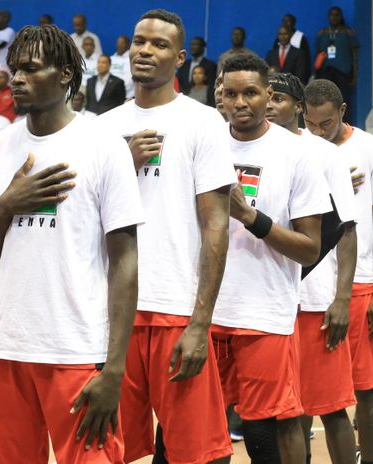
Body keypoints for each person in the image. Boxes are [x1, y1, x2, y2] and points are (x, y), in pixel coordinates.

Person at [0, 23, 143, 462]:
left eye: (30, 68)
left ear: (65, 74)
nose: (17, 79)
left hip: (77, 350)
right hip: (9, 346)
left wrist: (115, 369)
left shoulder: (102, 146)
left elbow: (125, 262)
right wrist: (7, 204)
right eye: (14, 70)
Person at [96, 10, 237, 463]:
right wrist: (121, 161)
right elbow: (85, 220)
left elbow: (216, 224)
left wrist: (200, 323)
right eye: (139, 41)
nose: (145, 50)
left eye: (158, 45)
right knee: (111, 449)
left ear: (179, 58)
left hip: (174, 309)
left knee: (200, 453)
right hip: (111, 315)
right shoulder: (101, 129)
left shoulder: (203, 122)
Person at [212, 54, 331, 464]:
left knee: (268, 425)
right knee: (202, 428)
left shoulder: (297, 155)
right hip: (201, 312)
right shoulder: (201, 143)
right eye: (230, 93)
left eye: (250, 93)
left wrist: (249, 217)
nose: (240, 102)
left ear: (269, 95)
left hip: (263, 312)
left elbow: (310, 247)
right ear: (219, 96)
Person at [304, 79, 373, 464]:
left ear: (342, 112)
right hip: (308, 281)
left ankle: (369, 458)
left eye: (324, 123)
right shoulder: (299, 147)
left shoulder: (370, 149)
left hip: (357, 281)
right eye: (309, 123)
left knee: (367, 385)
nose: (317, 131)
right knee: (307, 386)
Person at [266, 72, 358, 464]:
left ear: (299, 107)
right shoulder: (251, 148)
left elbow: (347, 230)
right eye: (265, 97)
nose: (270, 104)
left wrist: (342, 299)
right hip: (268, 297)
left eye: (279, 98)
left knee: (332, 406)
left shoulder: (326, 154)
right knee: (285, 410)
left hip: (315, 298)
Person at [315, 6, 359, 123]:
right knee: (324, 99)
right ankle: (325, 121)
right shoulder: (322, 32)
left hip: (343, 72)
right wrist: (315, 74)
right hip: (325, 71)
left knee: (343, 99)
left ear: (341, 16)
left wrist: (355, 74)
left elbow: (354, 55)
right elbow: (318, 53)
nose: (334, 17)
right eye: (332, 15)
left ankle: (344, 124)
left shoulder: (348, 32)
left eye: (337, 15)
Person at [110, 35, 134, 99]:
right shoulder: (111, 59)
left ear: (128, 45)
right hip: (110, 95)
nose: (119, 45)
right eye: (118, 43)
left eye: (122, 43)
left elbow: (130, 79)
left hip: (127, 95)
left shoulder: (132, 59)